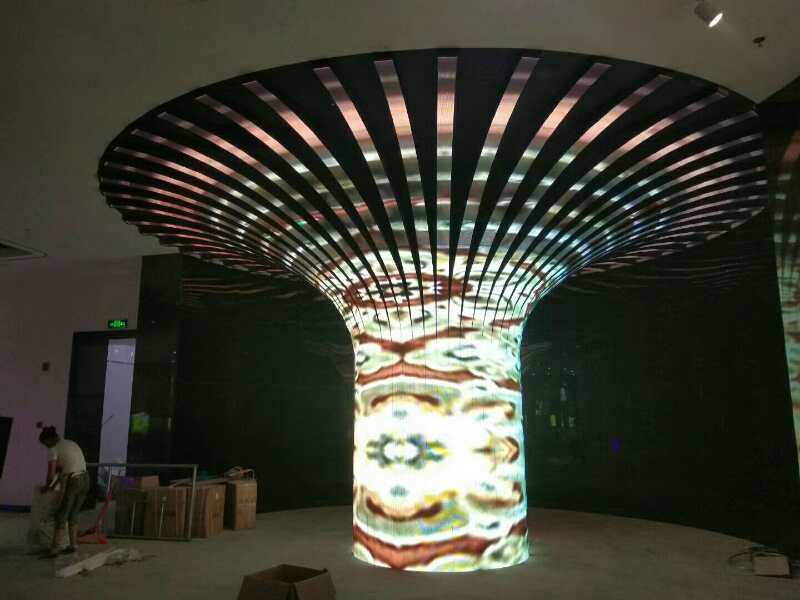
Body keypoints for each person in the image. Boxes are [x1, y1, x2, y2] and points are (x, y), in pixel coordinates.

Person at [37, 425, 89, 556]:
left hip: (74, 481)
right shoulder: (70, 443)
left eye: (45, 443)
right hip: (86, 479)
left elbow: (51, 474)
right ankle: (73, 545)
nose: (46, 447)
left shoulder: (53, 449)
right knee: (73, 514)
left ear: (49, 440)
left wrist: (46, 487)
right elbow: (61, 473)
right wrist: (52, 486)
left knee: (61, 515)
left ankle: (55, 549)